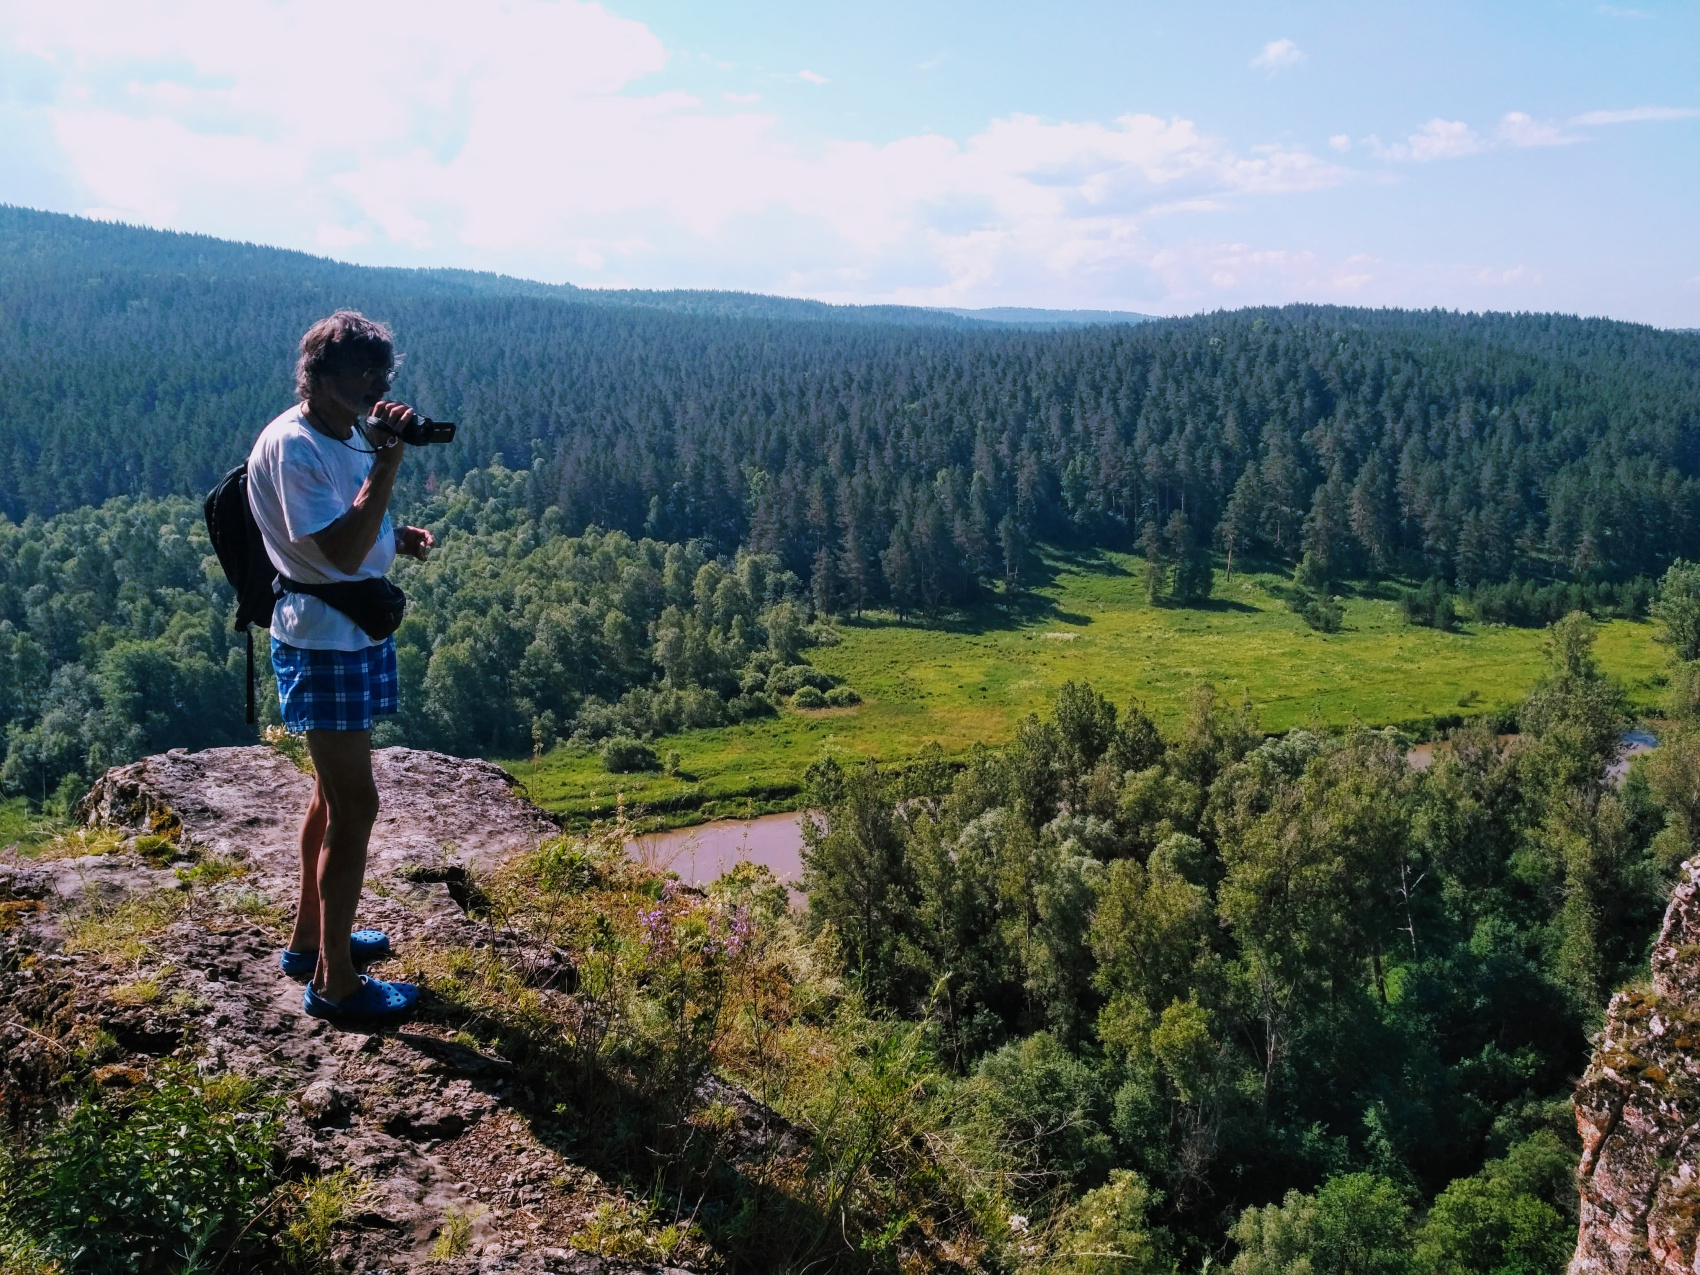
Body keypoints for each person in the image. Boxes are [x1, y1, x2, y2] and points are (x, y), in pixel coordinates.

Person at [246, 310, 435, 1022]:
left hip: (346, 630)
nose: (378, 388)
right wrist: (388, 462)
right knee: (356, 805)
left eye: (385, 375)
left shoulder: (342, 429)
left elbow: (356, 530)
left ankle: (311, 940)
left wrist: (396, 536)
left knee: (330, 798)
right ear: (319, 374)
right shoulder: (293, 446)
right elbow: (338, 553)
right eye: (365, 375)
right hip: (322, 639)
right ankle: (335, 983)